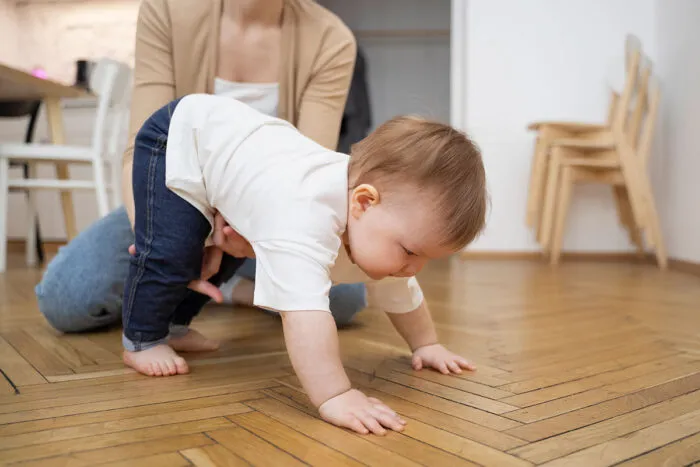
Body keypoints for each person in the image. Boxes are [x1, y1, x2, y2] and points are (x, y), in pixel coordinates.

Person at [122, 94, 488, 435]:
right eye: (410, 251)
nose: (414, 268)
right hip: (182, 137)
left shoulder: (379, 220)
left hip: (241, 156)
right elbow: (304, 315)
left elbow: (401, 292)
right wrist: (335, 394)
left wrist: (426, 344)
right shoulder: (304, 218)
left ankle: (174, 325)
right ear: (362, 203)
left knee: (229, 253)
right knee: (171, 253)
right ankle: (141, 339)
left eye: (426, 258)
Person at [34, 0, 368, 332]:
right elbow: (139, 150)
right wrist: (161, 246)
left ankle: (225, 285)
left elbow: (304, 180)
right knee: (67, 298)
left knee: (343, 298)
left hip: (266, 219)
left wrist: (236, 238)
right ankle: (220, 284)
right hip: (170, 198)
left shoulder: (330, 39)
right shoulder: (166, 10)